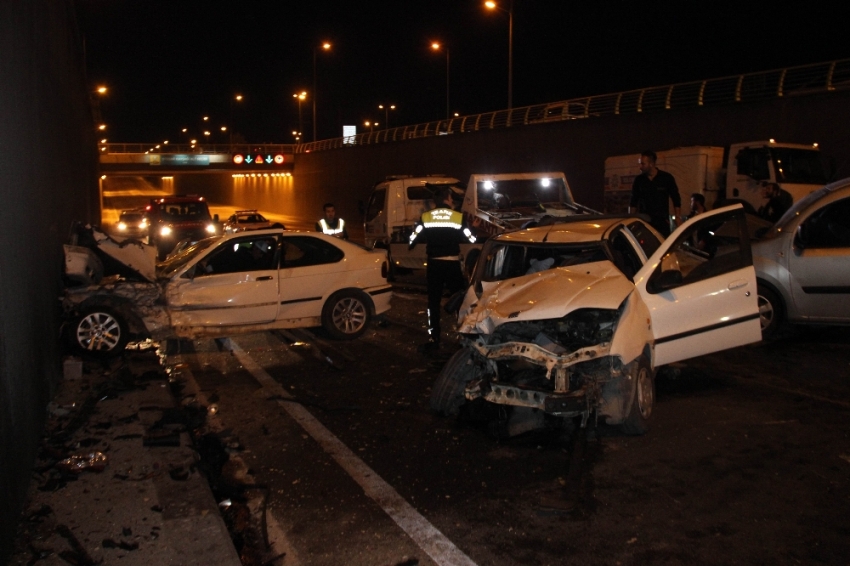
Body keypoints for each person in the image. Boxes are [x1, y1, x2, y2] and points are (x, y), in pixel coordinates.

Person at [408, 186, 476, 353]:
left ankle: (434, 339)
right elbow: (471, 238)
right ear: (447, 199)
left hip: (434, 265)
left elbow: (412, 239)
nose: (452, 202)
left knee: (433, 303)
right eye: (452, 199)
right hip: (452, 264)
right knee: (460, 301)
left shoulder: (426, 217)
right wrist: (470, 227)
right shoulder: (458, 217)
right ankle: (464, 338)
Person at [628, 150, 682, 237]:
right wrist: (630, 219)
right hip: (645, 221)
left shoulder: (666, 178)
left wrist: (677, 217)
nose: (640, 167)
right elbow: (633, 201)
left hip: (662, 221)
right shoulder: (639, 180)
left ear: (651, 164)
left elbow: (676, 198)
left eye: (643, 164)